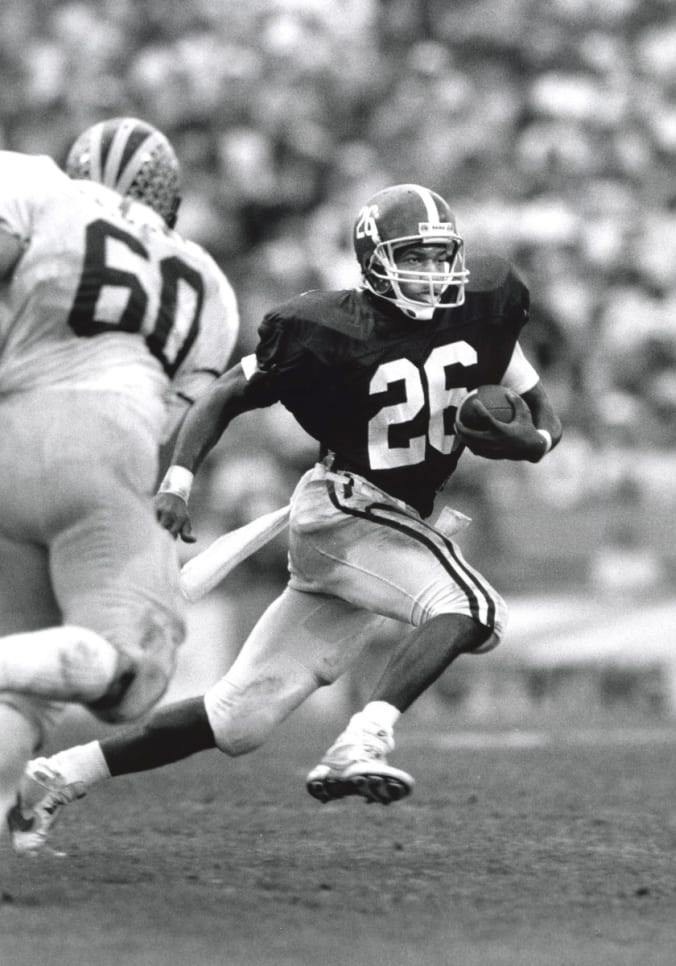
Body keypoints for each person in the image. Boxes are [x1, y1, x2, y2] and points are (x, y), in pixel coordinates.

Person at [13, 182, 561, 851]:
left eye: (441, 256)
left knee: (239, 718)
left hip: (387, 526)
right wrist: (179, 482)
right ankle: (363, 739)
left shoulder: (483, 306)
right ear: (373, 261)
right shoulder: (321, 330)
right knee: (472, 606)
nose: (432, 272)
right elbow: (224, 396)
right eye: (413, 257)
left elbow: (542, 414)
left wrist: (533, 443)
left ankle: (59, 773)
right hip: (344, 508)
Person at [0, 117, 239, 843]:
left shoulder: (34, 183)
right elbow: (169, 416)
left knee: (26, 688)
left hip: (8, 435)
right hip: (103, 452)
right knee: (134, 674)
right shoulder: (208, 283)